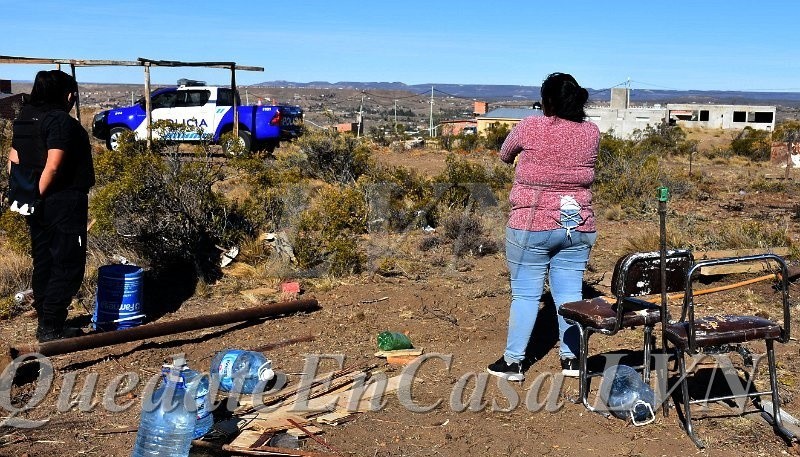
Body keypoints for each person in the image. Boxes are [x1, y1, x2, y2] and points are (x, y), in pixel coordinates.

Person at [487, 73, 599, 381]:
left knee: (525, 295)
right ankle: (572, 360)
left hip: (531, 223)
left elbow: (504, 154)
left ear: (546, 101)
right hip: (577, 224)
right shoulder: (591, 132)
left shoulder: (529, 126)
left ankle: (513, 363)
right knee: (570, 294)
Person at [7, 70, 95, 342]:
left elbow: (13, 159)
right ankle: (51, 326)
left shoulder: (25, 117)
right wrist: (39, 194)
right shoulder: (59, 121)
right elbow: (54, 166)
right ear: (66, 94)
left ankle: (47, 319)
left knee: (44, 260)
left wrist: (23, 195)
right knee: (67, 263)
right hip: (63, 201)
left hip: (34, 204)